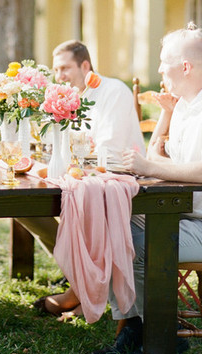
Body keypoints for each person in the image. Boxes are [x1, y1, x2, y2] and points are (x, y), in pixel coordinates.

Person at [93, 24, 202, 354]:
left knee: (134, 243)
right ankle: (134, 324)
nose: (160, 69)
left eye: (165, 62)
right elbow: (159, 159)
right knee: (109, 227)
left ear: (186, 67)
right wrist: (165, 114)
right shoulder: (186, 107)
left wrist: (149, 168)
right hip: (180, 217)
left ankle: (161, 332)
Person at [22, 39, 145, 317]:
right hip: (80, 175)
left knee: (71, 200)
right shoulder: (67, 99)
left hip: (117, 179)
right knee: (24, 208)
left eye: (65, 68)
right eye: (56, 70)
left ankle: (82, 289)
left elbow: (108, 149)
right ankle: (79, 276)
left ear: (85, 65)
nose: (60, 76)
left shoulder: (113, 91)